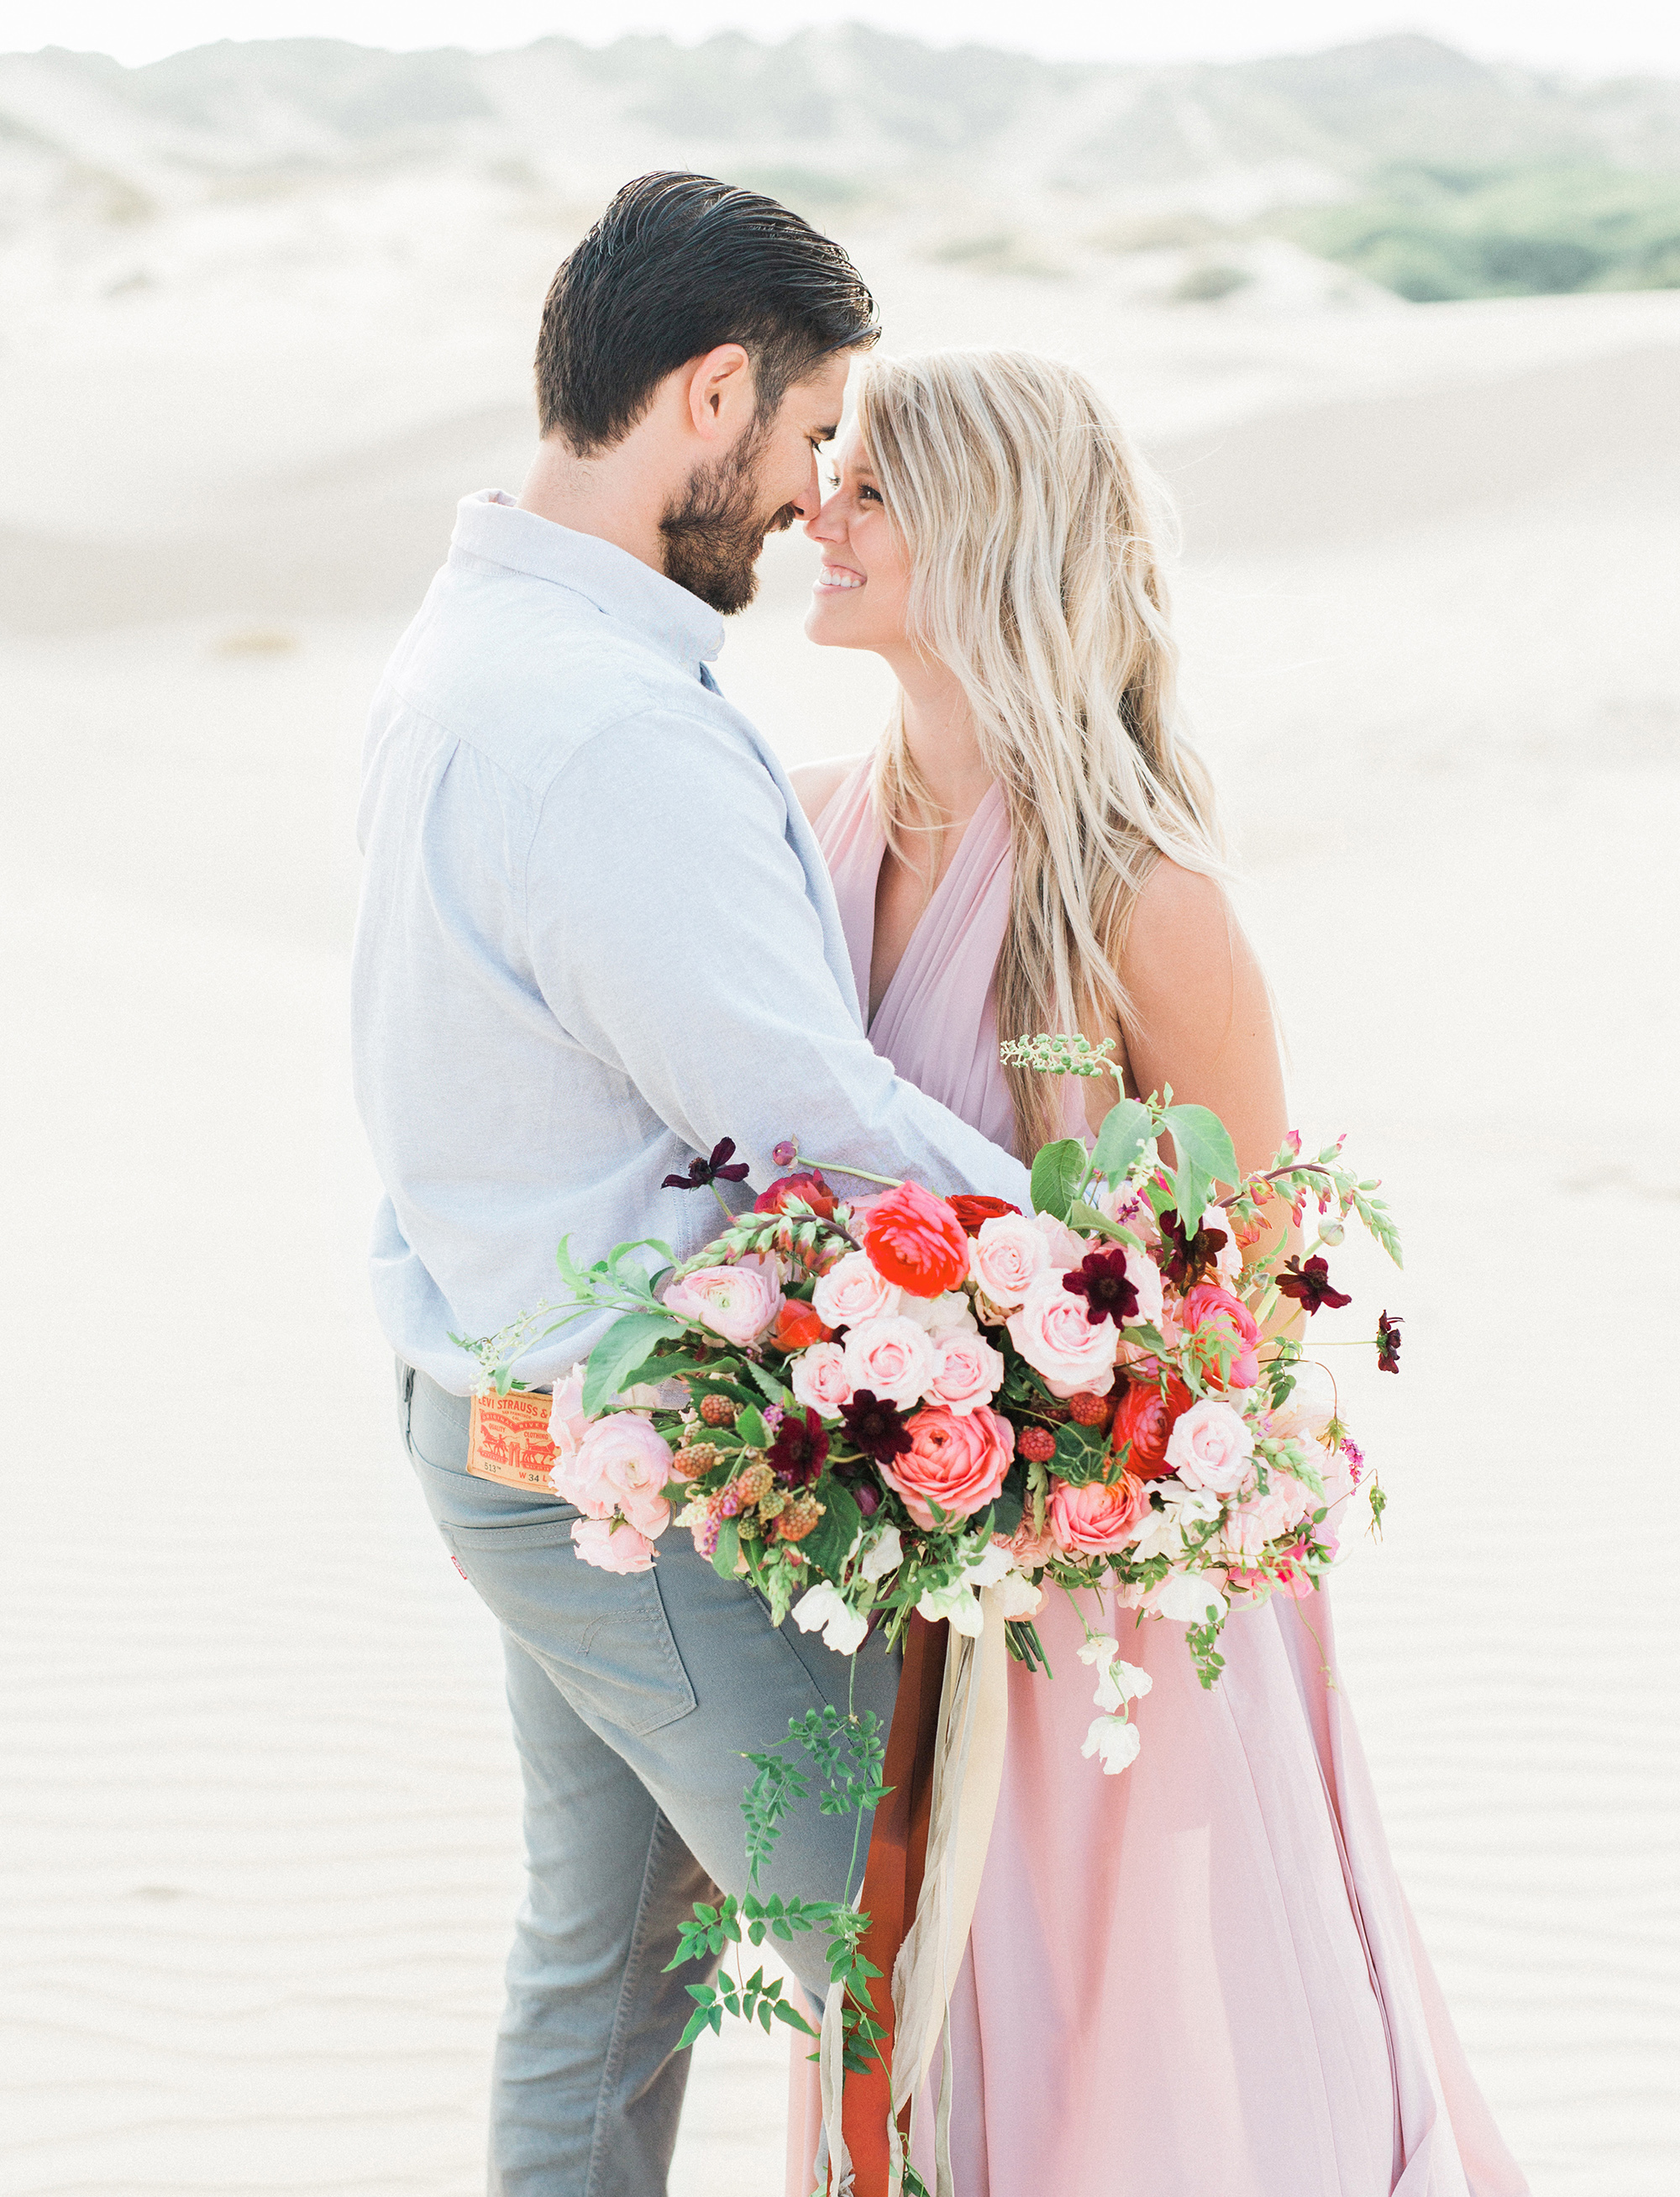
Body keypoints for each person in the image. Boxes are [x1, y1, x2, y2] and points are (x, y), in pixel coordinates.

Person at [350, 178, 1031, 2197]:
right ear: (712, 392)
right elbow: (804, 1117)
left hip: (515, 1417)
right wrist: (1121, 1274)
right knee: (898, 1963)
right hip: (611, 1481)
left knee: (603, 1970)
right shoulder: (596, 723)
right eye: (811, 434)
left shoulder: (485, 643)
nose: (813, 491)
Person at [787, 350, 1530, 2195]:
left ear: (983, 541)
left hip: (1112, 1618)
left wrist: (1031, 1452)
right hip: (868, 1590)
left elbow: (1251, 1319)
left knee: (1139, 2070)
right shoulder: (804, 837)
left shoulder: (1142, 901)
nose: (819, 511)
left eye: (867, 489)